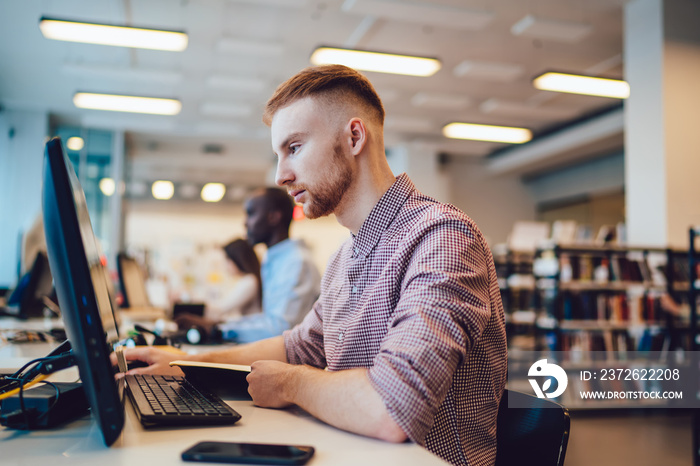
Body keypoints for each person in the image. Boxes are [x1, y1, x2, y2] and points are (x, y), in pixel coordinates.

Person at [116, 64, 507, 466]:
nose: (281, 175)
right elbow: (299, 347)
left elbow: (392, 408)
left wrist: (290, 383)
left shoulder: (442, 237)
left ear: (354, 137)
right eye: (278, 154)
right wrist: (185, 364)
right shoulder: (345, 258)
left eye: (295, 147)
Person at [206, 238, 263, 319]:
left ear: (237, 259)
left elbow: (220, 309)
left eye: (227, 260)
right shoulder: (249, 279)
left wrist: (194, 306)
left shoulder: (249, 281)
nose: (226, 266)